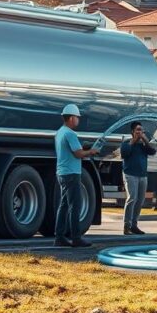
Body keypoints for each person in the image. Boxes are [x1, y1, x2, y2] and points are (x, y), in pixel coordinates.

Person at [54, 104, 100, 248]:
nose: (78, 120)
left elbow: (73, 150)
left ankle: (59, 237)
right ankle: (76, 238)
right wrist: (91, 152)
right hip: (72, 174)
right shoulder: (70, 134)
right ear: (72, 118)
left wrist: (83, 147)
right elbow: (78, 154)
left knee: (64, 205)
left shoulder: (60, 132)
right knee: (75, 206)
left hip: (62, 172)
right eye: (77, 118)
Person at [119, 121, 156, 235]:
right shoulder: (126, 143)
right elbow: (124, 153)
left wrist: (144, 139)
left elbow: (152, 151)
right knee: (132, 198)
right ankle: (127, 225)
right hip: (130, 174)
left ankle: (134, 225)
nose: (140, 132)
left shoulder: (143, 145)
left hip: (142, 175)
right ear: (133, 132)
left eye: (141, 130)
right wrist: (134, 140)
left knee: (140, 201)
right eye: (138, 130)